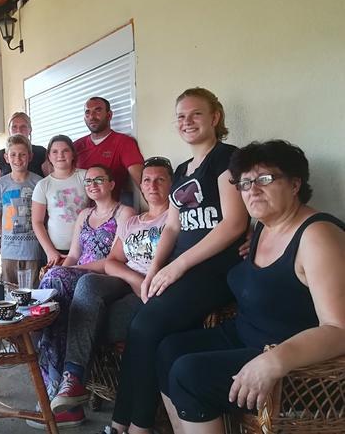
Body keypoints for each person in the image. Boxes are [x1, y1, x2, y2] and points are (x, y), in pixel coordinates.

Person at [155, 140, 345, 434]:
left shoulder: (317, 236)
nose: (252, 190)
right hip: (247, 335)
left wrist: (275, 359)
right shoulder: (263, 227)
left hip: (297, 368)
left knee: (189, 374)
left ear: (295, 185)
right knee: (169, 348)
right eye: (244, 183)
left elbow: (338, 329)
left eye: (265, 179)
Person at [102, 88, 249, 434]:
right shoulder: (183, 169)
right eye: (181, 116)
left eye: (196, 114)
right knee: (141, 326)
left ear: (215, 117)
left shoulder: (228, 158)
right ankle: (122, 422)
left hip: (216, 268)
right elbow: (172, 226)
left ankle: (135, 426)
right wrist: (154, 270)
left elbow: (234, 223)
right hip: (183, 269)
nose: (187, 122)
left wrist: (178, 266)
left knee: (146, 326)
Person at [30, 164, 134, 429]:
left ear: (111, 184)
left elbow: (116, 259)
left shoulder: (125, 213)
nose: (92, 185)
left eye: (99, 180)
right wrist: (62, 272)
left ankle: (54, 385)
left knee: (56, 281)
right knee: (53, 289)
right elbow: (74, 255)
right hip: (78, 273)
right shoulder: (84, 215)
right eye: (88, 181)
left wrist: (72, 271)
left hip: (108, 277)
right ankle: (62, 397)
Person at [74, 97, 145, 205]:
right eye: (87, 112)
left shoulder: (124, 142)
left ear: (109, 115)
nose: (92, 116)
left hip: (110, 211)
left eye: (97, 110)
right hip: (78, 210)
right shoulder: (76, 146)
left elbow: (142, 183)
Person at [0, 135, 43, 284]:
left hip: (32, 250)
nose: (18, 159)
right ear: (6, 158)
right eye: (13, 154)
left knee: (32, 291)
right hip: (9, 252)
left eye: (22, 154)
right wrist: (6, 236)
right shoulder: (0, 184)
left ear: (30, 156)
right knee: (9, 291)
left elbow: (43, 216)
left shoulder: (39, 183)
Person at [32, 135, 88, 267]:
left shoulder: (85, 176)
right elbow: (37, 222)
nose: (60, 155)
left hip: (85, 248)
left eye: (65, 151)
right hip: (57, 251)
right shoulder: (43, 185)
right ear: (49, 157)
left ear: (73, 154)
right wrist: (50, 251)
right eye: (55, 152)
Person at [0, 112, 49, 183]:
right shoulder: (0, 155)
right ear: (9, 130)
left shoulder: (41, 152)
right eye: (14, 127)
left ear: (30, 130)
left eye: (23, 127)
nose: (18, 130)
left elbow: (50, 181)